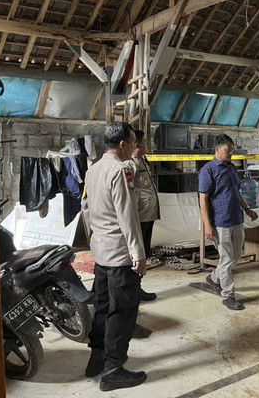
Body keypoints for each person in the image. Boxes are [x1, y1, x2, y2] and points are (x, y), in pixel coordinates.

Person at [81, 122, 147, 392]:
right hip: (120, 256)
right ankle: (113, 369)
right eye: (132, 143)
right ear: (122, 144)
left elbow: (84, 209)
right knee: (121, 312)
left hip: (101, 253)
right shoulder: (121, 171)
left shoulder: (93, 170)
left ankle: (96, 358)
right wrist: (138, 253)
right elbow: (127, 215)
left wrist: (93, 241)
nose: (135, 147)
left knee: (102, 307)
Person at [199, 134, 258, 310]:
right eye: (227, 150)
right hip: (220, 222)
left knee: (235, 257)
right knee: (226, 259)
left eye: (231, 150)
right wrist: (207, 225)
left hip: (237, 219)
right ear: (217, 149)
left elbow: (236, 192)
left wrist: (247, 209)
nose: (230, 153)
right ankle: (228, 296)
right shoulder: (208, 170)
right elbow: (203, 199)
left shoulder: (231, 168)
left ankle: (214, 277)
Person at [131, 129, 159, 302]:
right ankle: (134, 289)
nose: (147, 145)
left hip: (148, 214)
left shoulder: (143, 160)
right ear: (137, 145)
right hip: (140, 216)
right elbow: (131, 192)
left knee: (144, 252)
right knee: (137, 253)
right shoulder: (130, 164)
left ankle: (137, 286)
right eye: (145, 142)